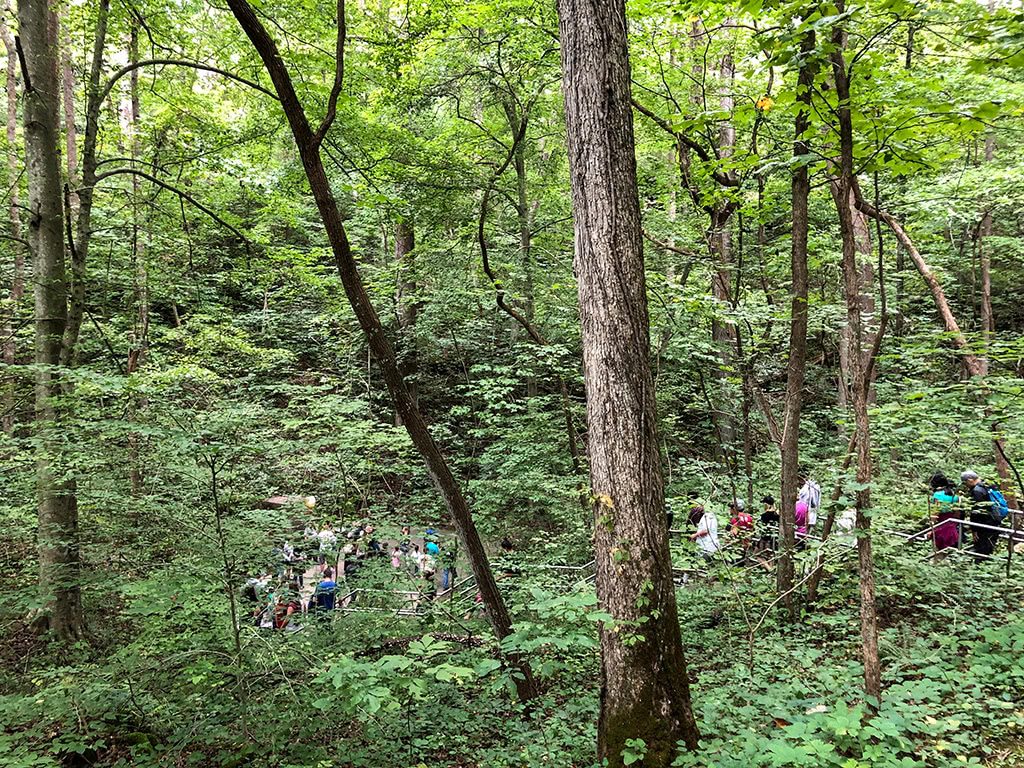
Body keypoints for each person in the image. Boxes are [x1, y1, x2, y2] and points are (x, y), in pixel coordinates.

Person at [962, 470, 1002, 558]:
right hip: (995, 519)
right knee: (989, 545)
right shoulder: (988, 485)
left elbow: (977, 511)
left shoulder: (977, 491)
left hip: (984, 524)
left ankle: (981, 563)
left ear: (970, 480)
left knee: (982, 548)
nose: (966, 486)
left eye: (965, 483)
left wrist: (974, 529)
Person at [929, 472, 961, 553]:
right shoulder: (955, 496)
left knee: (939, 551)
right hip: (952, 527)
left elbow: (935, 514)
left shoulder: (937, 495)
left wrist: (931, 528)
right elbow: (957, 514)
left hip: (941, 526)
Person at [728, 499, 754, 563]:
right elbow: (751, 529)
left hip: (738, 544)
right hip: (747, 543)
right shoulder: (749, 517)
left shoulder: (735, 519)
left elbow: (733, 532)